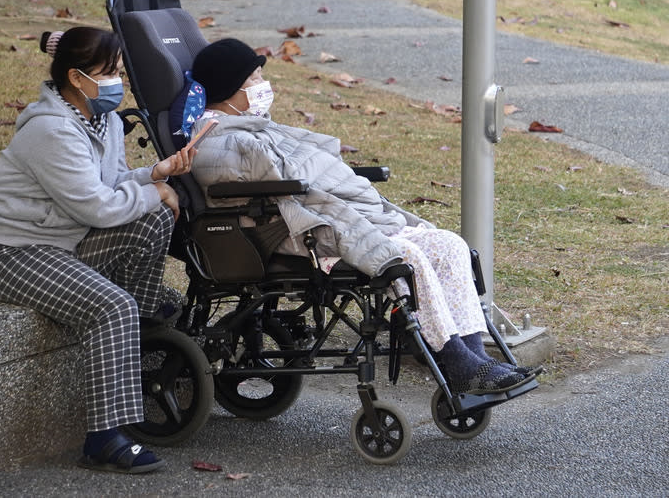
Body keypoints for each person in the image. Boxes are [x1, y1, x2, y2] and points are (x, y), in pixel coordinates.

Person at [188, 38, 539, 395]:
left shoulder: (254, 127)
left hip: (326, 215)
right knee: (405, 258)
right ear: (228, 89)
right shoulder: (222, 142)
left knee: (449, 245)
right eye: (253, 79)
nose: (263, 86)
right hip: (297, 229)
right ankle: (454, 358)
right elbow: (291, 193)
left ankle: (475, 360)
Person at [0, 27, 195, 474]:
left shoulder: (104, 119)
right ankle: (103, 439)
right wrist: (158, 191)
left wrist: (155, 173)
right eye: (109, 72)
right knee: (112, 306)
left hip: (62, 243)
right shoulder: (51, 130)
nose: (118, 82)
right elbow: (96, 206)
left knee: (151, 217)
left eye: (119, 71)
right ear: (76, 77)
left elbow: (110, 185)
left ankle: (140, 325)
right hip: (11, 253)